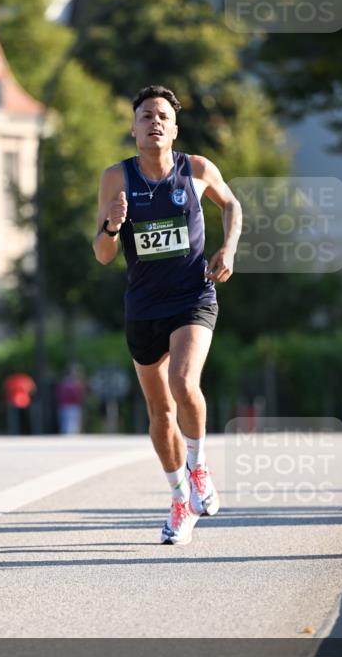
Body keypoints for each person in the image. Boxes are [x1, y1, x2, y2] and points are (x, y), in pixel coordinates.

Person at [93, 85, 242, 544]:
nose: (154, 122)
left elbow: (231, 204)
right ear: (133, 128)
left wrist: (228, 248)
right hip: (143, 308)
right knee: (160, 413)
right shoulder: (115, 179)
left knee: (183, 382)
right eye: (146, 116)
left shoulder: (195, 169)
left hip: (192, 297)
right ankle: (180, 500)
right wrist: (112, 226)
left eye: (162, 116)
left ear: (174, 129)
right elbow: (102, 254)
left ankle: (199, 469)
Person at [56, 364, 86, 434]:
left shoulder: (63, 382)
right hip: (71, 407)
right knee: (71, 425)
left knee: (67, 425)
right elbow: (78, 396)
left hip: (65, 406)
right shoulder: (75, 383)